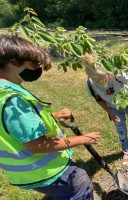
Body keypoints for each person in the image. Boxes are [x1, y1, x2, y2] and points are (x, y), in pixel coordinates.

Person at [0, 35, 101, 199]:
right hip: (38, 168)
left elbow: (16, 127)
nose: (37, 68)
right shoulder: (13, 101)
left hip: (25, 170)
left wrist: (53, 116)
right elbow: (38, 145)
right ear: (13, 62)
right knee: (79, 184)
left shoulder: (4, 93)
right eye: (33, 63)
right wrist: (83, 139)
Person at [85, 65, 128, 166]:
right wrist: (110, 112)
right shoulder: (90, 83)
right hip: (114, 107)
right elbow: (99, 100)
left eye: (107, 76)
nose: (108, 79)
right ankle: (125, 150)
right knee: (121, 129)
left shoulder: (116, 72)